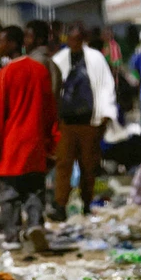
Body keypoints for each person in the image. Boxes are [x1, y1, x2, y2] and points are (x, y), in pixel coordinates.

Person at [0, 26, 56, 248]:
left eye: (3, 41)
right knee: (34, 190)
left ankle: (13, 235)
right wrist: (51, 141)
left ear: (14, 44)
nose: (0, 46)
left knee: (10, 194)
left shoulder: (5, 74)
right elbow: (50, 110)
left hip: (11, 144)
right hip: (35, 142)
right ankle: (35, 225)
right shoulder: (39, 70)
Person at [51, 25, 117, 221]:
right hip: (66, 123)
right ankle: (61, 205)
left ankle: (87, 203)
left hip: (89, 122)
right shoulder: (60, 59)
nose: (74, 43)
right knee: (64, 165)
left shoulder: (96, 59)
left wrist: (105, 115)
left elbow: (106, 86)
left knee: (89, 166)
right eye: (71, 39)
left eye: (78, 39)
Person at [25, 20, 62, 103]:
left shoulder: (37, 61)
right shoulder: (48, 60)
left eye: (28, 37)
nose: (25, 40)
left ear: (39, 40)